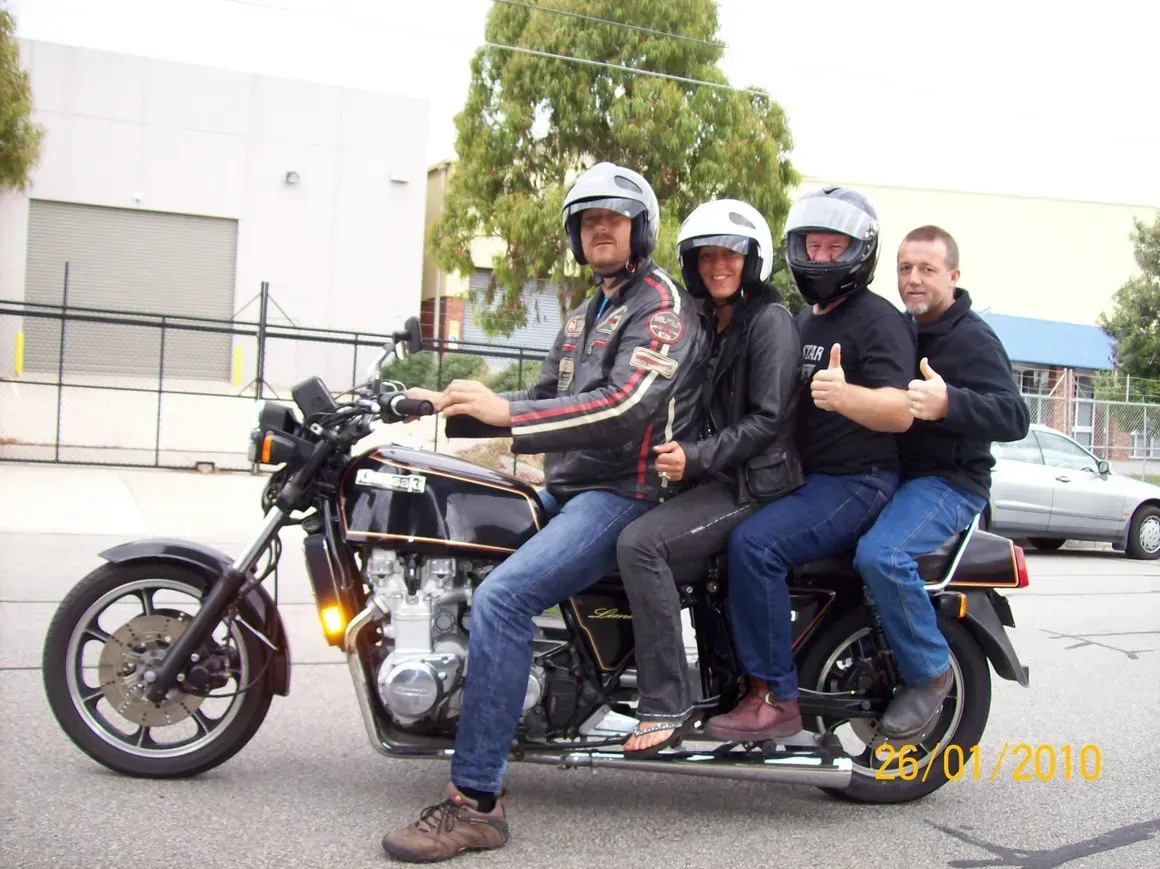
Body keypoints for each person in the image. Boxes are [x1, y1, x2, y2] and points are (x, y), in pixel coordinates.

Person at [381, 161, 709, 863]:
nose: (599, 230)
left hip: (626, 492)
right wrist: (454, 403)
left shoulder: (661, 309)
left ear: (640, 229)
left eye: (613, 219)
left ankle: (476, 802)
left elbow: (626, 407)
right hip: (571, 481)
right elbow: (538, 394)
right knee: (459, 535)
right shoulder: (586, 313)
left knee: (502, 599)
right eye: (588, 220)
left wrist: (510, 417)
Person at [703, 185, 917, 743]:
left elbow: (901, 411)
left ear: (860, 252)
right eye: (811, 245)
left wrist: (847, 397)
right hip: (800, 478)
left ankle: (775, 697)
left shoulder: (878, 321)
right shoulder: (801, 321)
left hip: (856, 479)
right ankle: (728, 675)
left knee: (757, 545)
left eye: (833, 247)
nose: (819, 257)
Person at [614, 199, 804, 755]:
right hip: (717, 476)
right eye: (706, 256)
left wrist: (695, 457)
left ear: (753, 261)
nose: (717, 265)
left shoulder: (769, 322)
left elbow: (767, 420)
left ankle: (665, 701)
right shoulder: (710, 323)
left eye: (730, 255)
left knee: (641, 544)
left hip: (755, 484)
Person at [852, 225, 1029, 737]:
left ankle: (930, 674)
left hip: (948, 485)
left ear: (952, 275)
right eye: (905, 268)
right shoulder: (901, 329)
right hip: (893, 478)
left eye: (927, 269)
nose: (913, 279)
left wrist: (950, 403)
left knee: (882, 555)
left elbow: (1014, 416)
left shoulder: (971, 337)